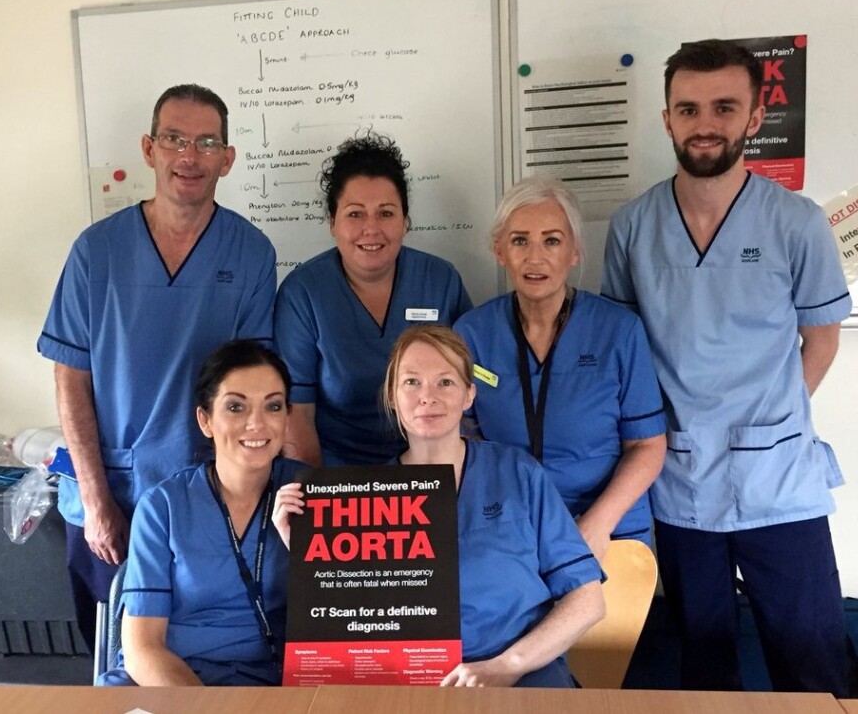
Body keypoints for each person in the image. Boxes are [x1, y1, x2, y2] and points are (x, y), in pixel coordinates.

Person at [602, 39, 852, 694]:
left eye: (723, 106)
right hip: (681, 482)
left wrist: (770, 424)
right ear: (667, 120)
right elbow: (626, 351)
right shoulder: (632, 227)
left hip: (780, 485)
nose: (704, 122)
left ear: (754, 117)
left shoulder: (798, 223)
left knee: (813, 662)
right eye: (688, 108)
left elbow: (820, 340)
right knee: (704, 668)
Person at [38, 84, 277, 646]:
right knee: (115, 654)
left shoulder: (250, 253)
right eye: (174, 139)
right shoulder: (96, 251)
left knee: (202, 651)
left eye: (206, 142)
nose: (188, 156)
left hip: (207, 495)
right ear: (149, 149)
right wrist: (97, 503)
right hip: (111, 492)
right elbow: (70, 376)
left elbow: (251, 387)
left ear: (228, 158)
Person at [274, 326, 604, 687]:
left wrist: (508, 666)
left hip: (523, 677)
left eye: (445, 382)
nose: (427, 397)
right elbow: (353, 615)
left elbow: (588, 600)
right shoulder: (364, 497)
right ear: (392, 397)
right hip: (415, 683)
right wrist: (308, 547)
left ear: (469, 394)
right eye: (412, 382)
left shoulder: (517, 472)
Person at [454, 177, 666, 559]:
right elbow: (468, 441)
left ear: (575, 251)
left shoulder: (618, 330)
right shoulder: (472, 333)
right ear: (499, 250)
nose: (535, 258)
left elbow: (647, 444)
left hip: (608, 530)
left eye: (551, 240)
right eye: (520, 240)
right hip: (514, 528)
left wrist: (598, 524)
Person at [99, 340, 300, 686]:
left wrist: (307, 549)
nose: (256, 423)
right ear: (205, 420)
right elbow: (142, 648)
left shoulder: (314, 495)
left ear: (287, 417)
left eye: (273, 406)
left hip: (274, 686)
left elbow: (358, 612)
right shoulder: (164, 506)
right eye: (236, 407)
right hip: (167, 682)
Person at [274, 133, 472, 468]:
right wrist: (317, 497)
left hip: (429, 464)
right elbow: (297, 414)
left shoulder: (440, 281)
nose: (371, 228)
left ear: (406, 222)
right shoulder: (303, 294)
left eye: (386, 213)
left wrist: (455, 479)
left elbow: (468, 391)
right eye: (355, 214)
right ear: (332, 222)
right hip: (337, 469)